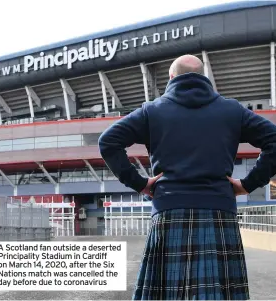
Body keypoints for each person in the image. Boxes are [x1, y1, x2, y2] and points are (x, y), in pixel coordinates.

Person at [98, 54, 276, 300]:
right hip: (219, 210)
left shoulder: (153, 111)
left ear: (172, 77)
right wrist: (248, 184)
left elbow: (108, 141)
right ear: (204, 77)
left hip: (169, 210)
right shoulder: (232, 110)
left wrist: (139, 183)